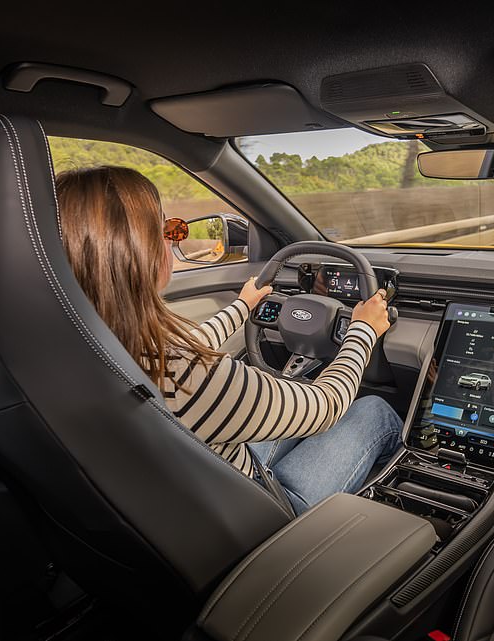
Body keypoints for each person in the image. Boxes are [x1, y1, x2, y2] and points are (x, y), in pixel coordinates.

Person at [55, 165, 403, 514]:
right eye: (167, 229)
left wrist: (242, 307)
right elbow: (327, 405)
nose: (174, 239)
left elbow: (184, 350)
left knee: (295, 393)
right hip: (265, 514)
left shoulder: (76, 345)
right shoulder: (189, 378)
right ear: (134, 249)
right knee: (374, 412)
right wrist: (363, 331)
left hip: (193, 498)